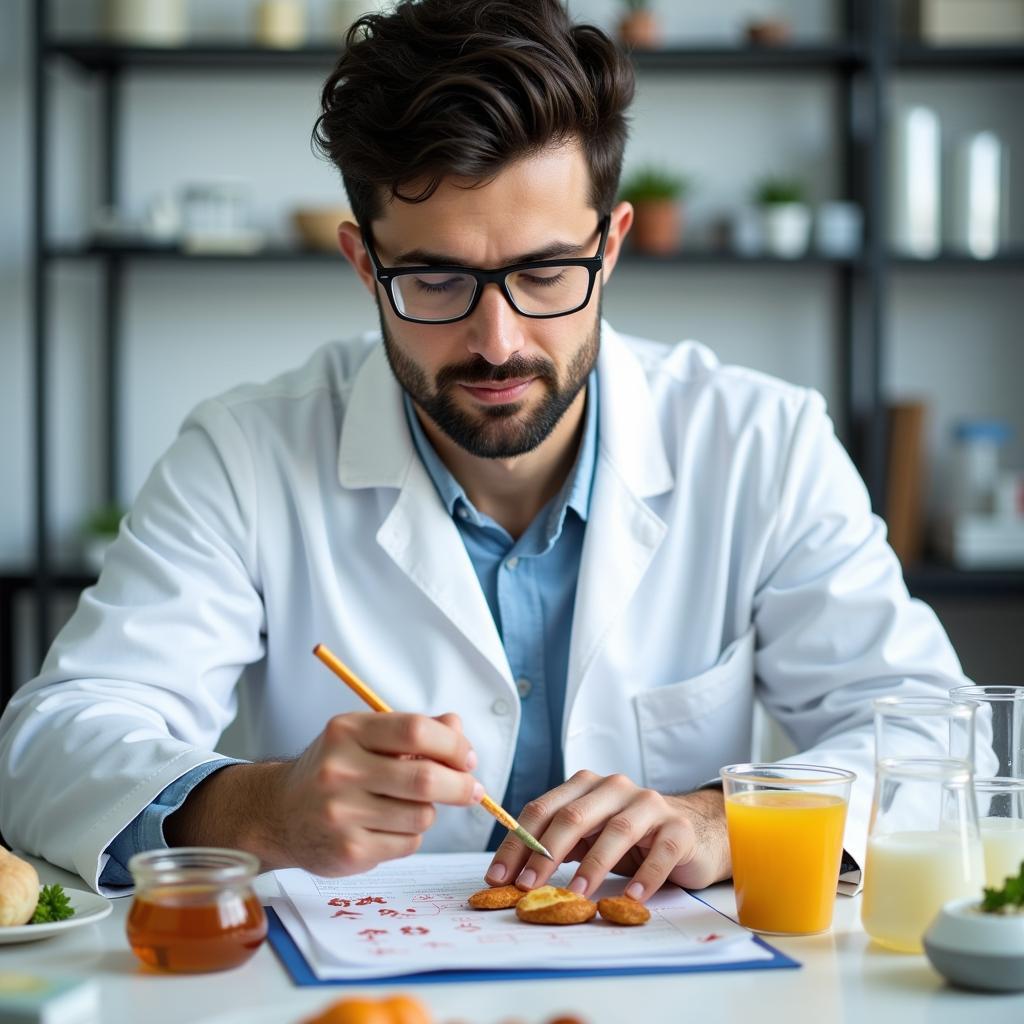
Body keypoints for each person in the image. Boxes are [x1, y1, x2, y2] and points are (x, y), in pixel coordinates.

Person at [0, 0, 968, 899]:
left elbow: (933, 732)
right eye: (434, 278)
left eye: (546, 271)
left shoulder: (759, 439)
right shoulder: (246, 451)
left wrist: (718, 818)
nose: (497, 341)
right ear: (362, 263)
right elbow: (53, 742)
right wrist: (259, 807)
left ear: (613, 244)